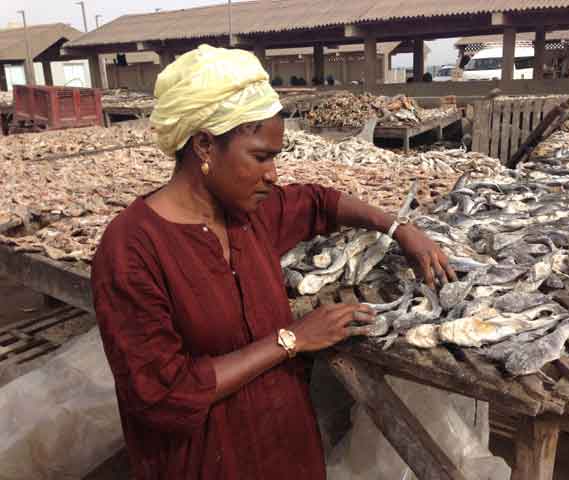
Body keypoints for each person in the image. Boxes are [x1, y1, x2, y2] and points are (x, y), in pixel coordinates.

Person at [91, 45, 455, 480]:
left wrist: (399, 229)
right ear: (205, 145)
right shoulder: (131, 251)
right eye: (261, 157)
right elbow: (162, 397)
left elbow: (320, 201)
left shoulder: (249, 213)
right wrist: (291, 339)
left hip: (288, 451)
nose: (273, 175)